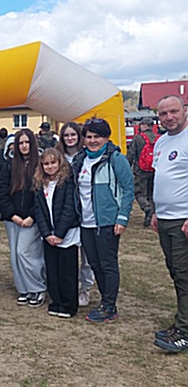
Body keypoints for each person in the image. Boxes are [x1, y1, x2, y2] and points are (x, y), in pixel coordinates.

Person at [72, 118, 133, 323]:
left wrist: (122, 217)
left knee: (108, 264)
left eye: (97, 136)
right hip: (85, 222)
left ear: (106, 137)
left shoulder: (116, 159)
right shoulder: (80, 159)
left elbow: (128, 189)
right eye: (89, 136)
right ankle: (106, 301)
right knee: (94, 264)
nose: (92, 140)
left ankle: (109, 306)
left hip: (106, 221)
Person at [151, 96, 188, 352]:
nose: (169, 117)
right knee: (175, 272)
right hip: (164, 218)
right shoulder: (162, 141)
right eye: (163, 114)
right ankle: (181, 321)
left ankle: (184, 331)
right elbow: (160, 177)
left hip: (182, 220)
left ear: (184, 110)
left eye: (173, 111)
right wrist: (156, 211)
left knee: (184, 274)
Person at [0, 128, 47, 306]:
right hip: (13, 219)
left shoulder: (39, 165)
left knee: (25, 252)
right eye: (21, 143)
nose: (24, 146)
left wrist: (32, 216)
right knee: (14, 255)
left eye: (27, 142)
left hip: (32, 218)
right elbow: (2, 192)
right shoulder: (9, 165)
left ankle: (38, 287)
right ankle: (24, 288)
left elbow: (41, 193)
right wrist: (12, 215)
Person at [33, 148, 81, 318]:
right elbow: (38, 211)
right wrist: (47, 234)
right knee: (52, 270)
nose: (50, 166)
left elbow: (69, 209)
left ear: (60, 163)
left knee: (67, 271)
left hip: (67, 235)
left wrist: (59, 234)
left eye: (53, 162)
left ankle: (69, 305)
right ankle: (56, 301)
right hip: (49, 236)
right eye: (46, 164)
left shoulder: (68, 182)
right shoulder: (39, 184)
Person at [57, 121, 95, 307]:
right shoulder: (58, 157)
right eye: (66, 135)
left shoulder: (86, 156)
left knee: (87, 256)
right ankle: (65, 286)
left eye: (73, 135)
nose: (70, 138)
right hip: (65, 212)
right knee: (66, 254)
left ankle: (85, 288)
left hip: (85, 211)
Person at [126, 117, 158, 227]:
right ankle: (152, 215)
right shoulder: (157, 138)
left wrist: (126, 167)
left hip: (141, 170)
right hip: (154, 170)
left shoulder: (138, 138)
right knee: (151, 194)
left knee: (139, 193)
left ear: (144, 125)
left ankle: (147, 209)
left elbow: (131, 154)